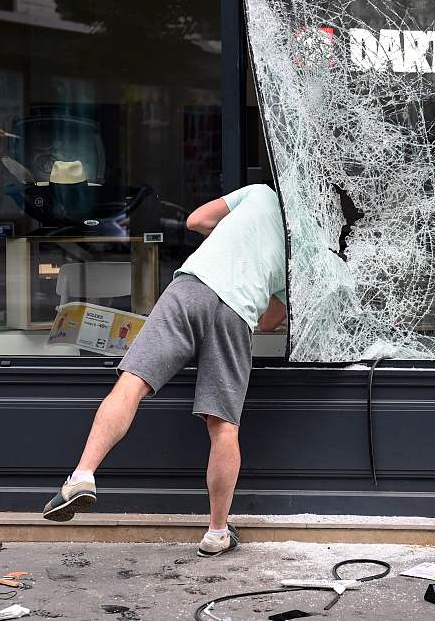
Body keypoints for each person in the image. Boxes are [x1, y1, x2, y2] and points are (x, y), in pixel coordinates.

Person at [41, 184, 287, 558]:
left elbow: (196, 220)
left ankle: (82, 476)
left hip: (192, 287)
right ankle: (217, 531)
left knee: (132, 383)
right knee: (223, 425)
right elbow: (270, 320)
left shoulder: (260, 194)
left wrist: (227, 234)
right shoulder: (300, 252)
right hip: (237, 311)